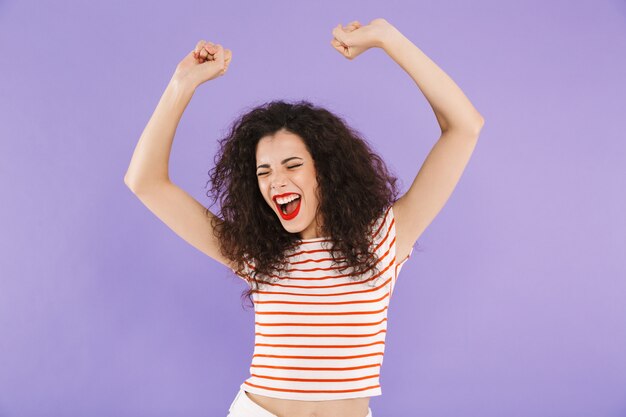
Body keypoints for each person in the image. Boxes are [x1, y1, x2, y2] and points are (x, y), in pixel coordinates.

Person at [124, 17, 484, 417]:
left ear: (326, 170)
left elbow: (464, 126)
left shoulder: (384, 239)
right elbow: (145, 182)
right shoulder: (256, 254)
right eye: (264, 172)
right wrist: (181, 84)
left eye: (292, 164)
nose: (276, 181)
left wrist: (387, 38)